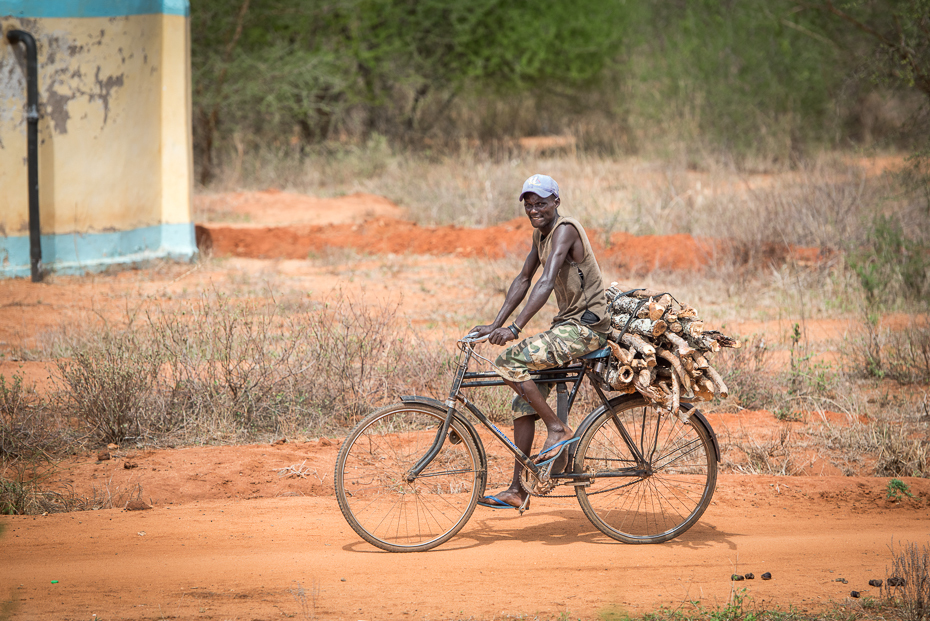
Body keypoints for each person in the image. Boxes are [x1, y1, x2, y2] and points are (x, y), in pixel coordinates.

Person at [470, 174, 612, 511]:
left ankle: (557, 429)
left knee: (509, 362)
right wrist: (495, 324)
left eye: (541, 203)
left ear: (556, 202)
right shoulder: (540, 235)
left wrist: (515, 329)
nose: (534, 209)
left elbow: (546, 281)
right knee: (523, 401)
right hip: (568, 325)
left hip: (587, 327)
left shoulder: (565, 230)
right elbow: (523, 279)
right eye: (529, 204)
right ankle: (518, 489)